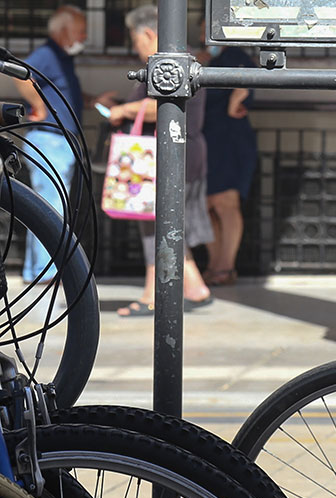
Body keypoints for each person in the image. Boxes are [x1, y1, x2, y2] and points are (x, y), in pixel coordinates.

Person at [110, 5, 213, 317]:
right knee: (172, 224)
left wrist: (125, 111)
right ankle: (194, 287)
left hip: (170, 156)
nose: (136, 47)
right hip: (186, 152)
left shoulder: (169, 63)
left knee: (158, 224)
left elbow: (167, 107)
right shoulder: (187, 59)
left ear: (149, 33)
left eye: (136, 40)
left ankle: (153, 294)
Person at [14, 5, 115, 284]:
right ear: (63, 30)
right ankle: (45, 273)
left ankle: (41, 270)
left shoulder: (62, 59)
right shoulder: (47, 54)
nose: (84, 36)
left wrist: (94, 101)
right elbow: (19, 75)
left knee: (51, 208)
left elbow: (64, 92)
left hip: (61, 141)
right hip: (49, 140)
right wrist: (37, 105)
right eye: (81, 30)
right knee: (50, 210)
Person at [198, 42, 257, 286]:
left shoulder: (235, 55)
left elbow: (246, 84)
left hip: (229, 140)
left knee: (226, 204)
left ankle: (225, 266)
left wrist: (234, 103)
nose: (204, 36)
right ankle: (215, 266)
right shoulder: (206, 60)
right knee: (207, 205)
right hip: (208, 139)